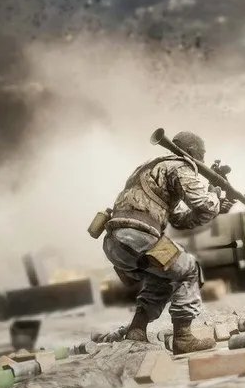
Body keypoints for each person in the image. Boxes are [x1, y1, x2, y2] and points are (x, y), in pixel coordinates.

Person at [101, 130, 235, 354]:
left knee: (162, 278)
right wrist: (214, 197)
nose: (202, 161)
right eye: (201, 155)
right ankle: (183, 338)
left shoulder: (151, 167)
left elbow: (181, 220)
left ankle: (136, 331)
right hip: (139, 238)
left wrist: (218, 208)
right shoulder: (181, 165)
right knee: (189, 269)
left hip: (116, 242)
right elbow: (203, 203)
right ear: (191, 151)